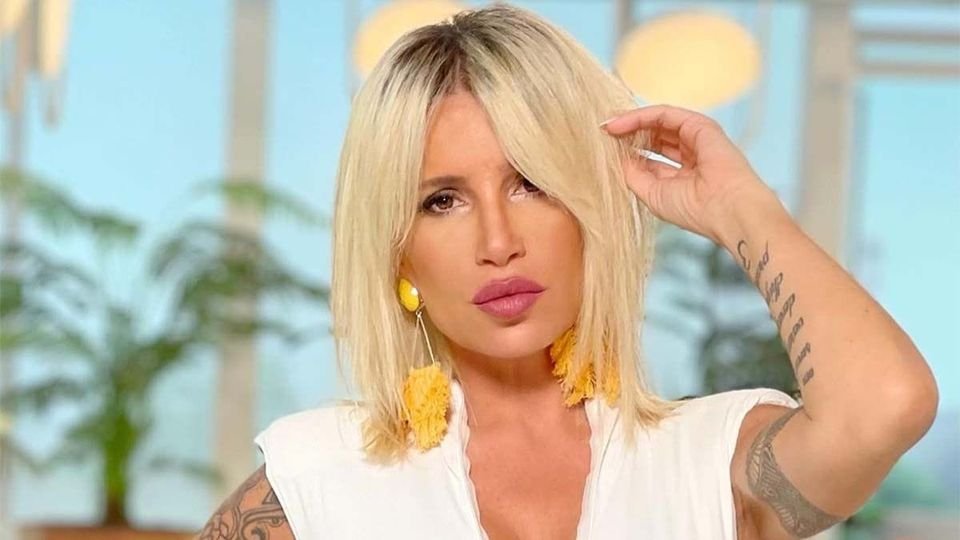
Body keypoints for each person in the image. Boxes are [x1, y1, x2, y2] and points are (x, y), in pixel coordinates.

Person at [198, 3, 939, 539]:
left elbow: (886, 405)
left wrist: (744, 211)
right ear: (400, 253)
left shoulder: (712, 460)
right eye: (442, 201)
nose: (498, 242)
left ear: (592, 210)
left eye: (532, 183)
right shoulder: (318, 479)